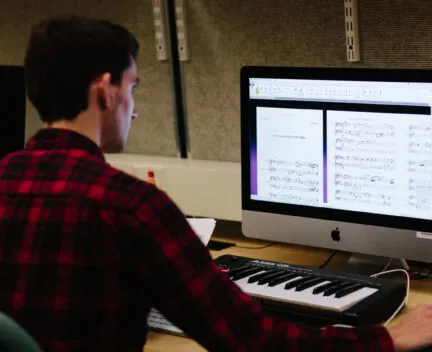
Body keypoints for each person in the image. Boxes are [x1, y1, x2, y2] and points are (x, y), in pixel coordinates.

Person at [0, 14, 432, 352]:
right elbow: (253, 341)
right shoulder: (129, 205)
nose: (135, 111)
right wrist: (388, 339)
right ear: (106, 90)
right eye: (133, 86)